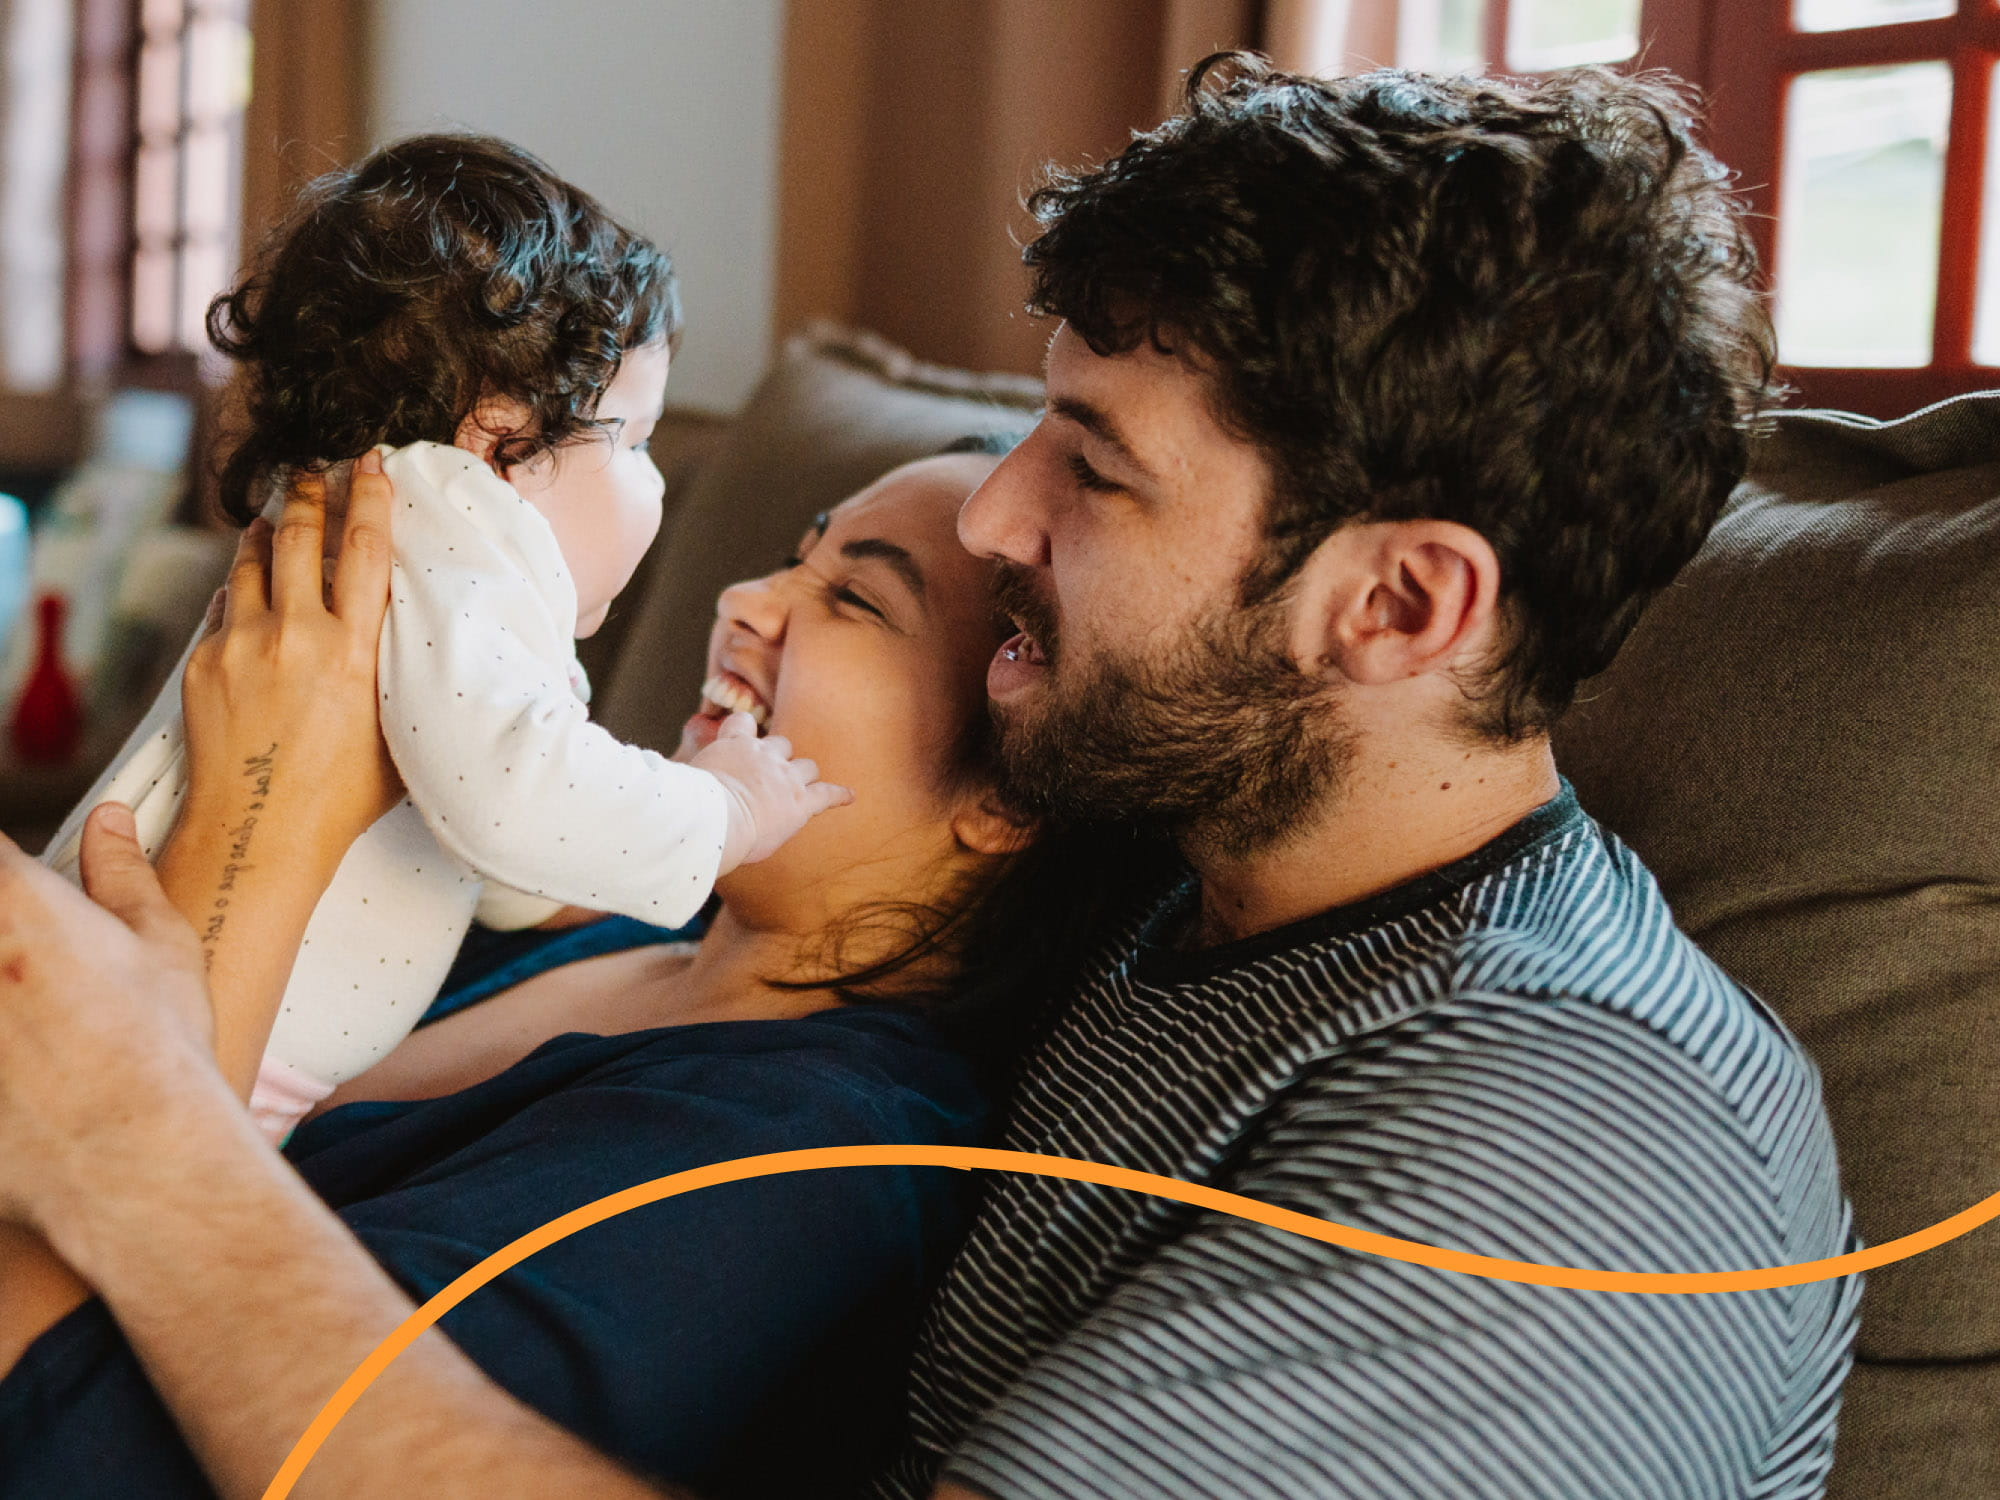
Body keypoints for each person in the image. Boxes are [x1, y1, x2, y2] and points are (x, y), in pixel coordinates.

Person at [0, 54, 1861, 1500]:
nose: (995, 518)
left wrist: (146, 1129)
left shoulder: (1563, 1136)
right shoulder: (1190, 887)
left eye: (1094, 470)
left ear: (1397, 604)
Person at [0, 442, 1128, 1497]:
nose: (744, 600)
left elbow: (80, 1446)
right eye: (798, 554)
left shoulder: (793, 1169)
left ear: (1005, 796)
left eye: (855, 599)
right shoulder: (623, 930)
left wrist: (264, 803)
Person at [40, 134, 845, 1144]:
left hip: (188, 1025)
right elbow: (515, 793)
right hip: (179, 1029)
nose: (655, 483)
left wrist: (582, 877)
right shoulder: (448, 528)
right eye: (634, 441)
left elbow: (480, 829)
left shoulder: (394, 540)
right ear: (494, 433)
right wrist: (727, 808)